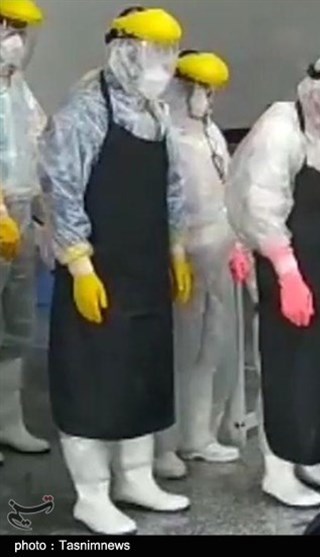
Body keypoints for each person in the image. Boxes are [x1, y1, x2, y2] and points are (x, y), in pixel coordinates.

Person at [38, 6, 193, 535]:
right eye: (153, 55)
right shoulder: (84, 110)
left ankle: (136, 477)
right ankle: (92, 494)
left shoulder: (157, 115)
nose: (162, 68)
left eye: (169, 56)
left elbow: (173, 186)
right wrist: (79, 264)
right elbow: (60, 188)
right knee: (93, 380)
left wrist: (176, 249)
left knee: (142, 373)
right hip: (99, 270)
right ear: (124, 51)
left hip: (145, 269)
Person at [225, 50, 320, 508]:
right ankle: (278, 470)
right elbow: (261, 207)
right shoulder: (280, 130)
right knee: (287, 366)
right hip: (286, 269)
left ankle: (313, 456)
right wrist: (287, 274)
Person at [154, 49, 250, 480]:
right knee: (179, 351)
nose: (208, 98)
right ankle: (164, 444)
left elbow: (227, 190)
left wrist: (239, 243)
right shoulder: (165, 137)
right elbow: (170, 201)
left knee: (212, 346)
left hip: (219, 251)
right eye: (202, 89)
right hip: (184, 255)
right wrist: (175, 250)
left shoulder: (209, 133)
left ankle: (199, 434)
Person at [0, 0, 49, 465]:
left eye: (19, 30)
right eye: (7, 27)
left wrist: (44, 214)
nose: (14, 39)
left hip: (18, 213)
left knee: (16, 324)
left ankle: (9, 421)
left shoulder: (18, 88)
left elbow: (36, 146)